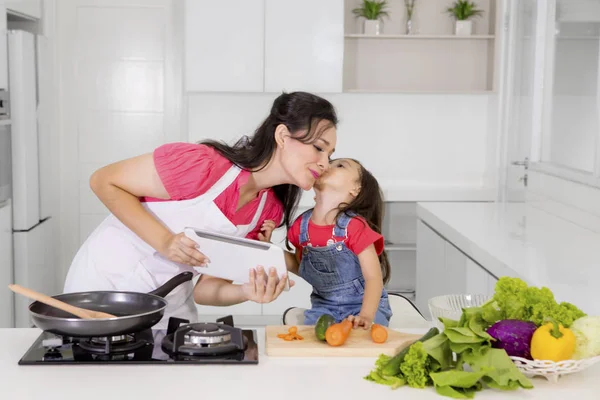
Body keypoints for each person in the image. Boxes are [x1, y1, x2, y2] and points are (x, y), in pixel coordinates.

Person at [63, 91, 339, 327]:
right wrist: (165, 241)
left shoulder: (267, 212)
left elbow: (206, 289)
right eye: (318, 147)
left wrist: (248, 291)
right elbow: (103, 180)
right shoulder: (202, 165)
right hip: (106, 288)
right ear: (282, 135)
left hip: (166, 305)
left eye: (330, 155)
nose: (325, 163)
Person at [263, 158, 392, 328]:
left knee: (364, 337)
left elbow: (373, 278)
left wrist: (366, 316)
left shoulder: (355, 227)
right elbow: (300, 266)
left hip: (364, 306)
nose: (326, 165)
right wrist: (268, 246)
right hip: (324, 308)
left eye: (340, 165)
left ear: (356, 189)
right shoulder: (301, 227)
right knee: (315, 339)